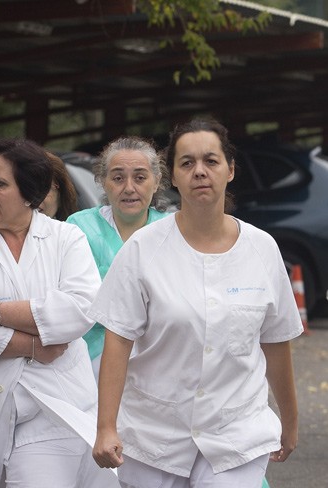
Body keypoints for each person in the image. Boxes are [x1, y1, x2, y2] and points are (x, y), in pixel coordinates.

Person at [90, 117, 302, 487]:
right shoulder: (142, 249)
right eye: (187, 163)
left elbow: (276, 342)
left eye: (211, 161)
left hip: (236, 430)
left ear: (230, 170)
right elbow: (118, 340)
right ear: (172, 176)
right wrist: (106, 427)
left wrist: (289, 421)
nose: (199, 171)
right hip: (154, 435)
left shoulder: (262, 249)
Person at [0, 138, 118, 488]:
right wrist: (31, 346)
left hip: (52, 408)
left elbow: (79, 309)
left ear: (30, 192)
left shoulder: (66, 239)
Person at [67, 136, 169, 376]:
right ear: (103, 182)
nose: (129, 188)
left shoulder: (172, 232)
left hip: (157, 359)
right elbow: (71, 301)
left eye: (140, 177)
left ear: (157, 182)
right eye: (118, 178)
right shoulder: (79, 228)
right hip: (90, 361)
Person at [38, 151, 78, 220]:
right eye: (22, 189)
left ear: (60, 194)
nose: (31, 198)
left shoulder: (77, 228)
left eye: (41, 188)